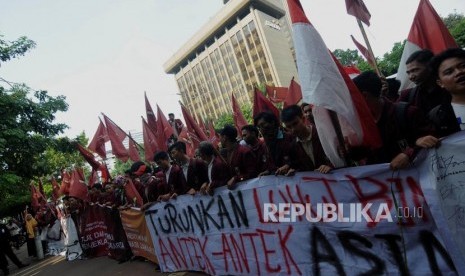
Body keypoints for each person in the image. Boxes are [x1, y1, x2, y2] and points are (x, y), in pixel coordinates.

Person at [353, 71, 430, 170]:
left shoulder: (407, 113)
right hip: (384, 182)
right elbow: (364, 154)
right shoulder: (361, 124)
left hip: (417, 178)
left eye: (353, 96)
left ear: (365, 96)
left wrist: (408, 154)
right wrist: (348, 150)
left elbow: (432, 141)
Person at [416, 48, 465, 148]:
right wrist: (420, 143)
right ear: (440, 83)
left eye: (463, 66)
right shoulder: (437, 117)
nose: (459, 72)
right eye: (449, 72)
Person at [281, 105, 333, 174]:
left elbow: (338, 157)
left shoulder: (322, 134)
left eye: (295, 124)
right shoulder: (293, 147)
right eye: (288, 127)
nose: (293, 129)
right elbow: (298, 166)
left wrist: (330, 166)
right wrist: (294, 172)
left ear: (303, 119)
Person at [398, 49, 449, 115]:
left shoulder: (452, 88)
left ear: (430, 67)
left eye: (415, 70)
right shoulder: (407, 95)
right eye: (408, 72)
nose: (411, 77)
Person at [254, 111, 294, 176]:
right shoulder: (264, 145)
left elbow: (299, 159)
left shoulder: (289, 137)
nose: (261, 129)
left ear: (272, 122)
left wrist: (288, 165)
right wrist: (268, 171)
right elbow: (271, 164)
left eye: (263, 125)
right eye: (259, 127)